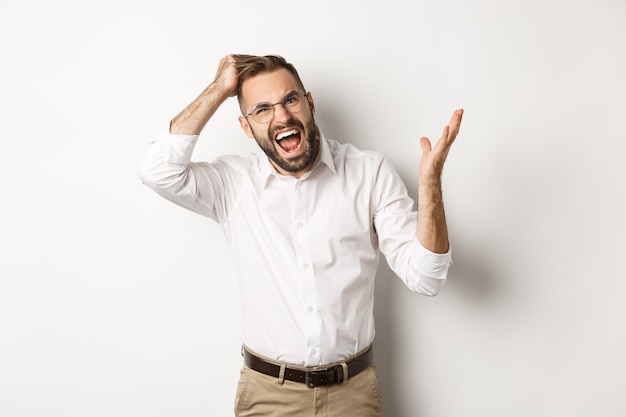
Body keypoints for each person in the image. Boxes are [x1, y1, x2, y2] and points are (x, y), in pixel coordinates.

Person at [138, 54, 463, 417]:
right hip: (267, 397)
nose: (281, 116)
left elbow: (426, 278)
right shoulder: (232, 182)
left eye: (290, 100)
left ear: (309, 104)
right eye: (262, 109)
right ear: (247, 127)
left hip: (353, 396)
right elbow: (157, 171)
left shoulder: (370, 173)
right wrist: (220, 88)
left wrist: (430, 184)